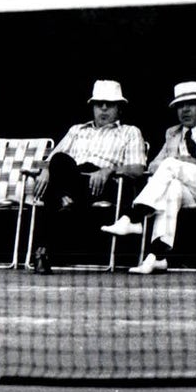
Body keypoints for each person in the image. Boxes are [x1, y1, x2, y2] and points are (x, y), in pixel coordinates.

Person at [100, 81, 196, 275]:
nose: (184, 110)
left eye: (191, 104)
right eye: (180, 106)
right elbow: (153, 165)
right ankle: (157, 256)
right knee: (172, 188)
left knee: (171, 164)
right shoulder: (173, 133)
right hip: (192, 191)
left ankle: (134, 216)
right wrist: (178, 164)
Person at [31, 79, 149, 273]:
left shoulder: (130, 132)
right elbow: (53, 160)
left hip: (104, 183)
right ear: (92, 107)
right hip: (72, 178)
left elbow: (137, 169)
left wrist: (108, 170)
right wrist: (45, 170)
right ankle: (64, 199)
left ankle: (42, 250)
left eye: (109, 104)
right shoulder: (76, 130)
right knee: (60, 159)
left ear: (119, 108)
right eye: (98, 104)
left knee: (52, 192)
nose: (103, 108)